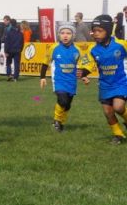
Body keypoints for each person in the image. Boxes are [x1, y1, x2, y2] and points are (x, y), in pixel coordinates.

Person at [81, 15, 127, 144]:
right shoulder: (93, 49)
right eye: (94, 31)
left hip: (120, 83)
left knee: (118, 107)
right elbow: (88, 65)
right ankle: (118, 135)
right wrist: (83, 73)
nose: (95, 34)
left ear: (108, 30)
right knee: (108, 112)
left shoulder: (120, 45)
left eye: (99, 31)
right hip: (104, 85)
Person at [40, 23, 89, 132]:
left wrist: (84, 75)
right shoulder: (54, 48)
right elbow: (45, 62)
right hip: (59, 80)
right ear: (59, 35)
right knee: (62, 101)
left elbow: (84, 64)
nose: (65, 36)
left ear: (73, 35)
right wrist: (42, 77)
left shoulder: (78, 50)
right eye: (62, 33)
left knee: (67, 105)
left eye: (68, 33)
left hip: (71, 81)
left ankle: (60, 123)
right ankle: (57, 121)